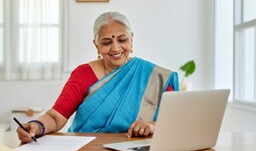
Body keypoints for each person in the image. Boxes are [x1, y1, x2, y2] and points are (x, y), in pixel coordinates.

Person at [17, 12, 179, 143]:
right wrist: (36, 126)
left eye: (122, 40)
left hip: (137, 150)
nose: (116, 48)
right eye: (107, 42)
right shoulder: (83, 74)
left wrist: (151, 126)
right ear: (96, 45)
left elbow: (174, 121)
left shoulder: (155, 76)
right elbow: (55, 117)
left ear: (131, 39)